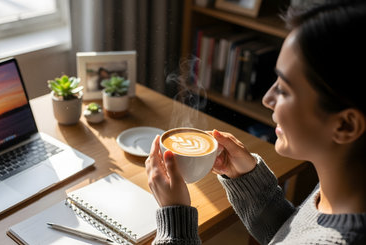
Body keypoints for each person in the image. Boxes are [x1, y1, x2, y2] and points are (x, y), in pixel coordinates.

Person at [145, 1, 366, 244]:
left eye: (283, 89)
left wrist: (174, 219)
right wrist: (247, 182)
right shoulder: (344, 189)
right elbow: (290, 236)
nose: (267, 99)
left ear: (345, 126)